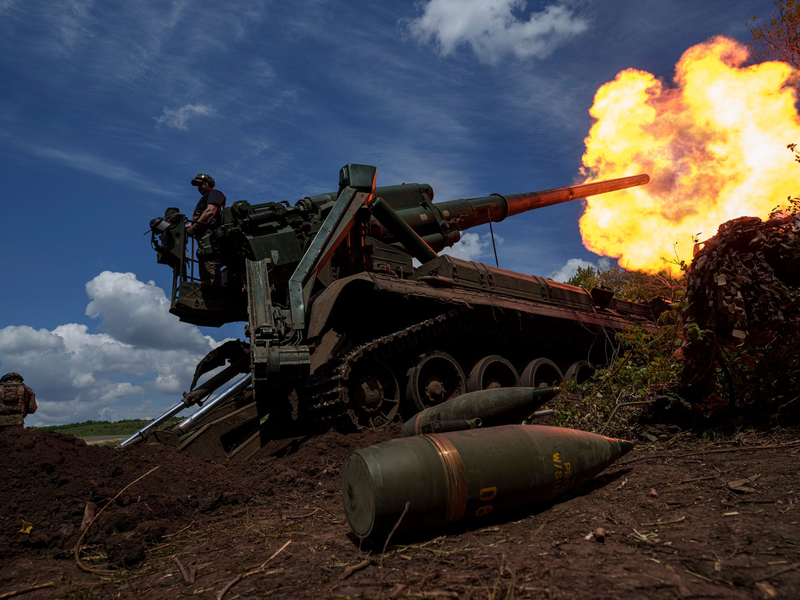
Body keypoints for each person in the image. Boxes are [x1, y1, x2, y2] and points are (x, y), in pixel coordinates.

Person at [186, 173, 226, 285]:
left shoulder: (214, 193)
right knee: (205, 274)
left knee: (212, 269)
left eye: (201, 184)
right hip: (203, 244)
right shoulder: (204, 199)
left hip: (210, 241)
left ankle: (215, 293)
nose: (199, 187)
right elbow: (195, 222)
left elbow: (210, 212)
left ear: (210, 184)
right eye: (197, 185)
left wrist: (194, 228)